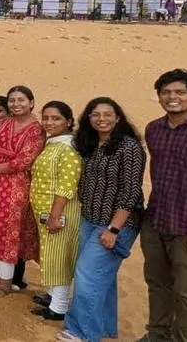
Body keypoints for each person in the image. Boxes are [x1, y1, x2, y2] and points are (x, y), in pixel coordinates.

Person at [60, 97, 146, 342]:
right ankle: (105, 327)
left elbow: (130, 191)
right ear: (88, 118)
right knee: (102, 278)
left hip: (116, 224)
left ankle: (84, 333)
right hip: (90, 218)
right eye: (95, 114)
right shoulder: (90, 144)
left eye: (107, 114)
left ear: (118, 117)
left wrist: (113, 229)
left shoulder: (129, 147)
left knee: (87, 275)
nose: (102, 119)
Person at [0, 85, 44, 297]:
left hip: (15, 187)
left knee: (7, 233)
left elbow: (21, 162)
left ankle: (6, 284)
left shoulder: (36, 130)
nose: (16, 104)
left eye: (21, 100)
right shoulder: (5, 122)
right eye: (12, 100)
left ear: (31, 102)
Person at [142, 68, 187, 342]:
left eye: (180, 92)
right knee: (157, 284)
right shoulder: (154, 129)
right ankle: (157, 335)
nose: (173, 97)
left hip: (186, 225)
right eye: (166, 92)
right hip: (157, 219)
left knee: (185, 292)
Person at [28, 100, 81, 321]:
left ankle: (58, 308)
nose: (49, 122)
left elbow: (66, 186)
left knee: (59, 257)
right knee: (49, 254)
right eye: (46, 117)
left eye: (56, 118)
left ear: (68, 121)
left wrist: (55, 215)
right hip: (47, 211)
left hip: (60, 212)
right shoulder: (53, 144)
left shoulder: (69, 148)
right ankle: (52, 296)